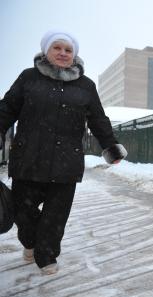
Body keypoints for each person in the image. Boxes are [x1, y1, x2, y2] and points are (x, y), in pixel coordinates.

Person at [0, 30, 127, 275]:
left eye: (68, 50)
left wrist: (110, 146)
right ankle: (30, 241)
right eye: (57, 48)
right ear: (46, 51)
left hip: (66, 163)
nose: (62, 53)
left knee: (56, 216)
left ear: (74, 56)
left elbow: (98, 119)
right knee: (22, 212)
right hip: (28, 160)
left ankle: (46, 254)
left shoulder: (86, 86)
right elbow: (6, 109)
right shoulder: (29, 78)